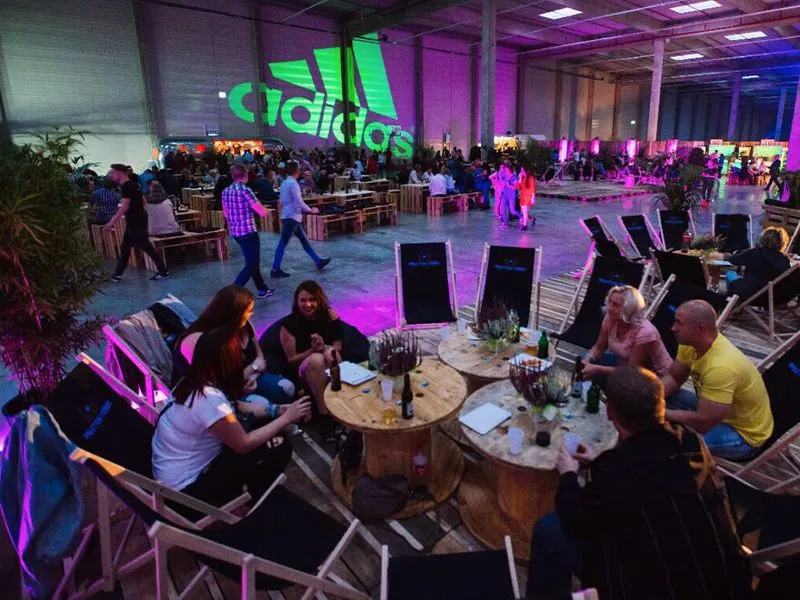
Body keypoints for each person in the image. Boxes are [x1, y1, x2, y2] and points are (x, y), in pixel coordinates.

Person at [526, 366, 750, 600]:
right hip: (726, 582)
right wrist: (599, 462)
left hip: (653, 587)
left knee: (548, 529)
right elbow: (651, 482)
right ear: (661, 407)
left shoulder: (620, 469)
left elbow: (576, 518)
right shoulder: (691, 440)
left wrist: (568, 475)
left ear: (610, 412)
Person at [152, 328, 311, 508]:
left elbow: (235, 408)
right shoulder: (208, 399)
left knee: (263, 424)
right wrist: (287, 418)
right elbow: (243, 444)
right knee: (280, 446)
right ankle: (258, 501)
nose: (240, 360)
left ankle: (252, 489)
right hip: (188, 494)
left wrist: (277, 410)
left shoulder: (193, 380)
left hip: (169, 475)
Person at [661, 300, 774, 460]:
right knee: (664, 395)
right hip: (712, 410)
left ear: (700, 329)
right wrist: (650, 397)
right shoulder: (690, 344)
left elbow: (705, 422)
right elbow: (673, 378)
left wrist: (661, 413)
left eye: (679, 323)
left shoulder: (721, 367)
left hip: (742, 435)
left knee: (668, 444)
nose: (673, 328)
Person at [172, 285, 296, 414]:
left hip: (247, 379)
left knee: (287, 388)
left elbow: (260, 358)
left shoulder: (243, 325)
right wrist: (251, 370)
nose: (252, 314)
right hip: (215, 395)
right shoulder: (200, 339)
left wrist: (254, 374)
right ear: (234, 312)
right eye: (248, 311)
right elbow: (213, 386)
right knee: (262, 404)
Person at [279, 281, 343, 437]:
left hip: (328, 360)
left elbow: (338, 346)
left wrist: (324, 347)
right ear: (296, 301)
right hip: (304, 370)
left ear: (319, 300)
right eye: (303, 300)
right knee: (316, 359)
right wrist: (312, 350)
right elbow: (291, 360)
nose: (308, 304)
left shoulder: (330, 315)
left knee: (330, 354)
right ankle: (324, 415)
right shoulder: (289, 324)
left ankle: (341, 403)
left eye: (312, 300)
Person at [582, 286, 673, 388]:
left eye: (616, 305)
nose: (610, 308)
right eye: (610, 302)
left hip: (653, 376)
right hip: (625, 363)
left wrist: (597, 368)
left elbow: (631, 371)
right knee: (583, 363)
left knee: (603, 375)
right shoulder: (611, 318)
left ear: (629, 309)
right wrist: (587, 359)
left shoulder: (645, 334)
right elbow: (599, 347)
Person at [105, 164, 170, 282]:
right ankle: (117, 274)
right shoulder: (134, 185)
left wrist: (111, 222)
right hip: (136, 221)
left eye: (113, 172)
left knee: (146, 247)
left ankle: (164, 272)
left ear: (120, 173)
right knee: (125, 248)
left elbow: (125, 206)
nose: (111, 175)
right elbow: (143, 202)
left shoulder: (127, 186)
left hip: (135, 222)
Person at [221, 165, 275, 300]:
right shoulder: (246, 191)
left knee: (252, 262)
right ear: (245, 175)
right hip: (248, 232)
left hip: (235, 232)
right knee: (251, 264)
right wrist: (268, 211)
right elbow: (261, 212)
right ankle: (232, 294)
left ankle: (262, 289)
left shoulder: (225, 191)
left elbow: (226, 214)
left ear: (233, 176)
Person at [270, 162, 331, 278]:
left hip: (289, 216)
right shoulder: (293, 184)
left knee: (303, 241)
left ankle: (318, 261)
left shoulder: (284, 183)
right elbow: (298, 201)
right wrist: (310, 210)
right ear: (297, 171)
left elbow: (282, 201)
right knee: (283, 243)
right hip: (292, 217)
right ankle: (275, 269)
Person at [725, 226, 791, 301]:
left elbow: (733, 260)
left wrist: (729, 255)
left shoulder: (755, 252)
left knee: (730, 274)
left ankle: (731, 303)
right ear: (782, 242)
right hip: (774, 297)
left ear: (762, 239)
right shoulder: (784, 258)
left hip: (751, 292)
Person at [517, 166, 536, 231]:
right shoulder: (523, 178)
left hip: (527, 197)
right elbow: (519, 187)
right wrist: (519, 178)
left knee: (524, 212)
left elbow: (533, 188)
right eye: (521, 170)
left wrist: (533, 198)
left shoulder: (531, 178)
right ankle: (532, 219)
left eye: (522, 170)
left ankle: (525, 225)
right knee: (523, 211)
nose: (521, 172)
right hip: (522, 196)